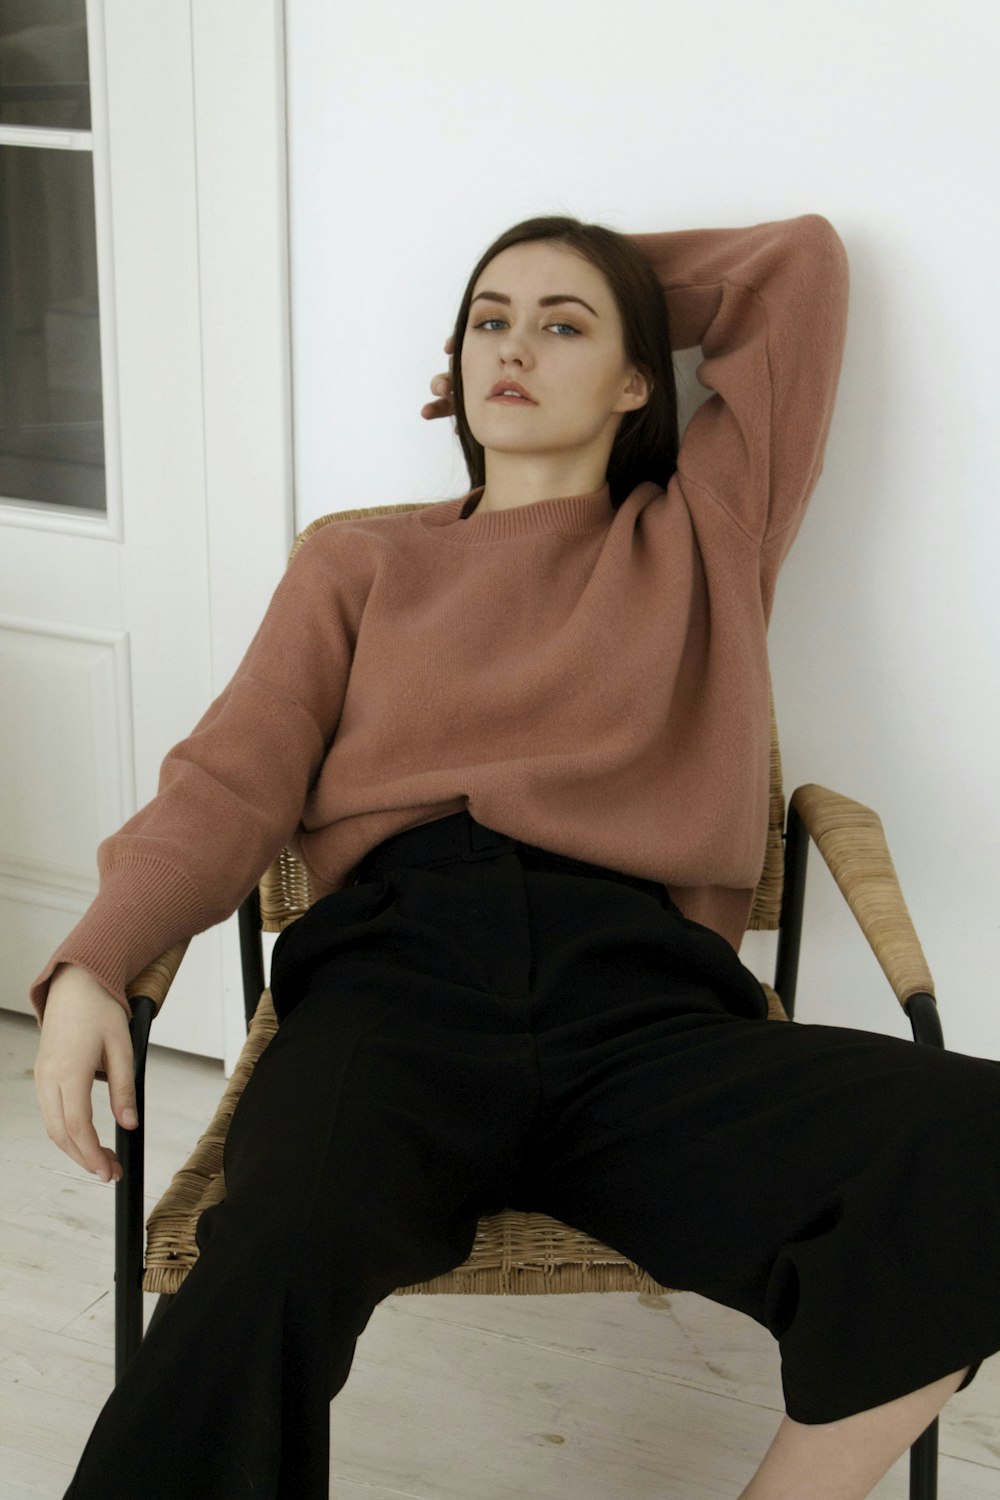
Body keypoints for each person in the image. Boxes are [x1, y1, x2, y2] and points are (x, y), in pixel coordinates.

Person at [31, 210, 1000, 1500]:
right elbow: (233, 779)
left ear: (642, 378)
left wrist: (601, 285)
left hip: (642, 1013)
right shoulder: (359, 563)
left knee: (971, 1139)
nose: (514, 348)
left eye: (563, 329)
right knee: (265, 1260)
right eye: (489, 321)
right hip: (396, 991)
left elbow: (797, 270)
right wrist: (100, 959)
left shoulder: (704, 534)